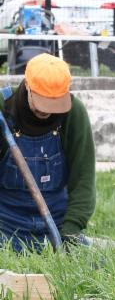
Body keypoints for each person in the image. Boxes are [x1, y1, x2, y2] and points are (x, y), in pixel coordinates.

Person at [0, 53, 94, 250]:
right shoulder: (4, 109)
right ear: (28, 87)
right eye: (43, 102)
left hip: (56, 220)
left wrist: (72, 228)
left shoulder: (73, 114)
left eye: (55, 104)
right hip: (6, 221)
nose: (48, 111)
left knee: (94, 264)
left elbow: (83, 177)